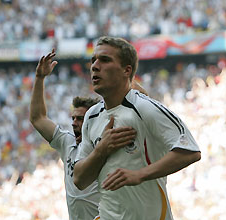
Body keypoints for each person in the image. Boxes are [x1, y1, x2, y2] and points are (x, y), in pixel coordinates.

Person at [73, 36, 201, 220]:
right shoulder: (92, 116)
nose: (94, 66)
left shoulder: (144, 108)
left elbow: (190, 151)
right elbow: (79, 179)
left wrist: (140, 175)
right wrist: (101, 150)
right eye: (94, 60)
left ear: (127, 70)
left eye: (105, 60)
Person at [29, 49, 144, 220]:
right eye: (73, 118)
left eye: (81, 119)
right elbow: (38, 118)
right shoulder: (67, 143)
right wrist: (39, 78)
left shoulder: (107, 144)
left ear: (92, 121)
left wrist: (123, 79)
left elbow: (143, 103)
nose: (74, 123)